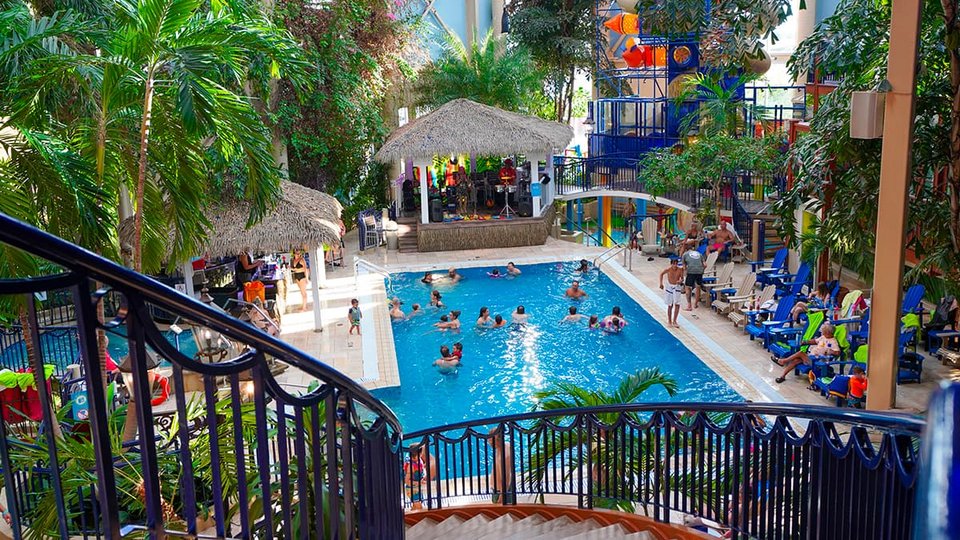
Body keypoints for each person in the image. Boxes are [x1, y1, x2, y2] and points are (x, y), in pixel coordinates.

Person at [773, 324, 839, 383]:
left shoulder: (833, 342)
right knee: (795, 361)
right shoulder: (823, 337)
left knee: (801, 353)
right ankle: (782, 376)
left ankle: (783, 361)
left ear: (828, 333)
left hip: (817, 362)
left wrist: (831, 351)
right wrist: (805, 342)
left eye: (823, 331)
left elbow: (837, 352)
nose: (822, 333)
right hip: (811, 358)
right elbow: (815, 341)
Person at [488, 428, 515, 505]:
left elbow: (506, 478)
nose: (489, 441)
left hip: (500, 491)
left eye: (491, 438)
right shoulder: (507, 445)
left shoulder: (503, 457)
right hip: (503, 489)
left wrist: (501, 497)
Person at [659, 257, 684, 328]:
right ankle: (669, 321)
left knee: (677, 304)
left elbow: (682, 278)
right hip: (670, 287)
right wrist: (661, 283)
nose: (675, 266)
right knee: (670, 305)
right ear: (671, 264)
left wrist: (680, 281)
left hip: (677, 287)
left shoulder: (680, 270)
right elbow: (661, 274)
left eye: (676, 264)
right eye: (673, 264)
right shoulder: (668, 270)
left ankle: (675, 320)